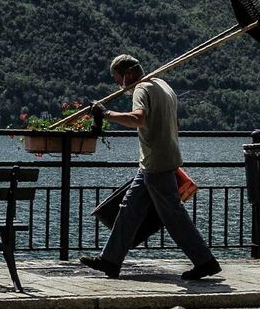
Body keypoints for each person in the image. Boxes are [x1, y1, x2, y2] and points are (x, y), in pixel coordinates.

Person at [80, 54, 221, 280]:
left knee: (173, 216)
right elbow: (176, 123)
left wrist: (105, 114)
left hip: (157, 163)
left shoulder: (141, 90)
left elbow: (138, 119)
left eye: (118, 79)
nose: (119, 85)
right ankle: (110, 261)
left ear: (127, 74)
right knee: (129, 210)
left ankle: (205, 261)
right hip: (156, 160)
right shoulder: (163, 85)